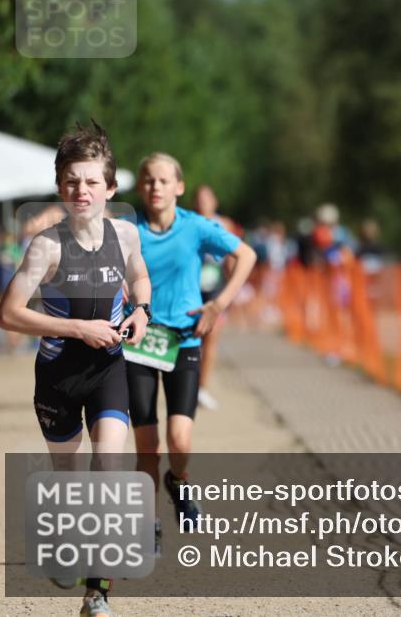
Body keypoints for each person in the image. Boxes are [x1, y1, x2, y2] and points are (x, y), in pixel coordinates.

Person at [0, 122, 152, 617]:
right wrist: (78, 328)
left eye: (91, 181)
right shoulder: (46, 245)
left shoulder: (125, 233)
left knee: (108, 471)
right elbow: (8, 314)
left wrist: (141, 310)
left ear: (111, 188)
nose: (81, 190)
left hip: (108, 369)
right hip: (58, 377)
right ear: (60, 187)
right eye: (71, 181)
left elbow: (139, 274)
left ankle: (96, 594)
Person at [126, 153, 256, 556]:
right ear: (140, 186)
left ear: (179, 187)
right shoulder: (128, 230)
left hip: (183, 342)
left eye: (164, 180)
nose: (156, 187)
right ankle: (150, 525)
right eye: (149, 180)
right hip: (139, 343)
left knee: (179, 440)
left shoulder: (196, 227)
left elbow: (247, 256)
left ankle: (179, 481)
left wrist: (217, 305)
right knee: (148, 447)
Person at [192, 184, 239, 411]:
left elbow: (233, 257)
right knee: (192, 339)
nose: (203, 203)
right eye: (199, 199)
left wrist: (231, 289)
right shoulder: (188, 222)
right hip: (192, 287)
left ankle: (202, 388)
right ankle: (187, 384)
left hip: (215, 287)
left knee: (211, 338)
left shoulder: (225, 224)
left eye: (206, 198)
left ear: (214, 202)